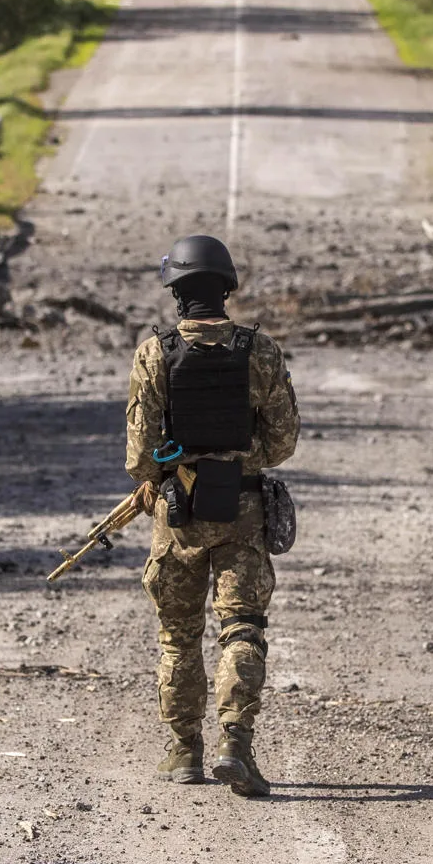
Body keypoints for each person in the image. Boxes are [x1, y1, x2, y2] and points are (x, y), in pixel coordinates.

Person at [125, 234, 299, 797]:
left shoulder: (154, 353)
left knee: (178, 637)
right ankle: (236, 745)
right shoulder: (261, 350)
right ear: (226, 288)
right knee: (242, 629)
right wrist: (241, 457)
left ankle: (183, 754)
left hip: (177, 517)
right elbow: (283, 442)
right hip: (243, 512)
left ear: (176, 293)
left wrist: (169, 468)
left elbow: (140, 457)